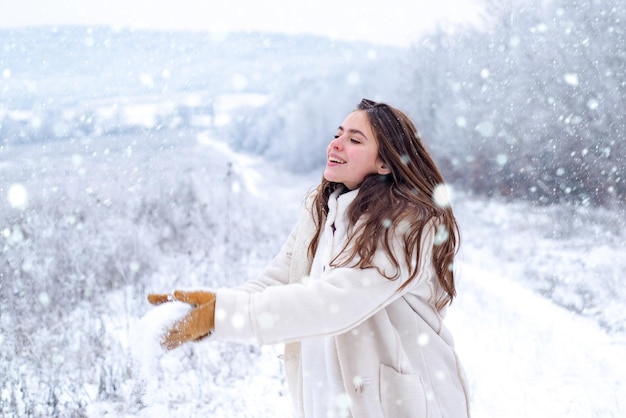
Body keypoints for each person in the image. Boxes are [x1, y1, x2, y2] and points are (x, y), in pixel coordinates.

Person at [147, 98, 471, 417]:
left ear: (385, 163)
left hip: (402, 406)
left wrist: (224, 315)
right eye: (338, 134)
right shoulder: (323, 208)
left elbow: (334, 302)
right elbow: (278, 279)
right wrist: (209, 308)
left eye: (354, 139)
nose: (337, 145)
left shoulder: (408, 223)